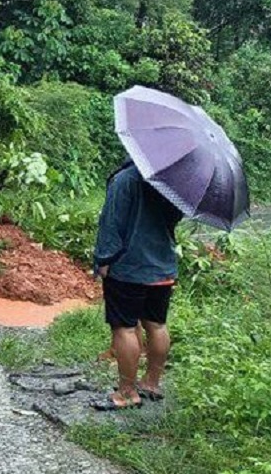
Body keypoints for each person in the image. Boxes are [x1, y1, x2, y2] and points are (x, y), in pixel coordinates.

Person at [91, 159, 184, 411]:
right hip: (162, 267)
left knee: (125, 328)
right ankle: (151, 383)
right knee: (157, 324)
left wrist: (104, 260)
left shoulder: (126, 179)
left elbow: (111, 223)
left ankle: (127, 392)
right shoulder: (175, 182)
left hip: (129, 267)